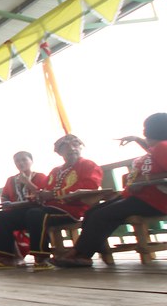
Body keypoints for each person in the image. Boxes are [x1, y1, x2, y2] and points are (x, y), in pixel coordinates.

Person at [55, 113, 167, 267]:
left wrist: (144, 180)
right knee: (92, 212)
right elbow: (151, 150)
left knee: (102, 214)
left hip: (153, 200)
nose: (144, 132)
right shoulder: (155, 148)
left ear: (154, 130)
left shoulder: (162, 146)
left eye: (146, 128)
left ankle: (82, 255)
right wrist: (136, 139)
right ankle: (79, 252)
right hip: (137, 197)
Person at [0, 135, 102, 271]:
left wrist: (51, 194)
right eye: (66, 147)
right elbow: (44, 191)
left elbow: (90, 186)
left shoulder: (88, 165)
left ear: (80, 147)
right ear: (60, 153)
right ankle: (8, 258)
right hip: (47, 208)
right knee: (4, 217)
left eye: (75, 145)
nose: (71, 149)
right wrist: (39, 195)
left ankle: (41, 258)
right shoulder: (55, 171)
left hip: (71, 210)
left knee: (35, 214)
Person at [0, 152, 47, 267]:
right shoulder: (11, 179)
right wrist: (7, 204)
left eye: (24, 160)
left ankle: (38, 257)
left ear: (31, 161)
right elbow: (5, 196)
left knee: (34, 215)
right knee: (0, 218)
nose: (20, 163)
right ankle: (7, 257)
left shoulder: (40, 176)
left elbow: (43, 195)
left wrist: (27, 182)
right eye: (17, 161)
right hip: (17, 211)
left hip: (34, 210)